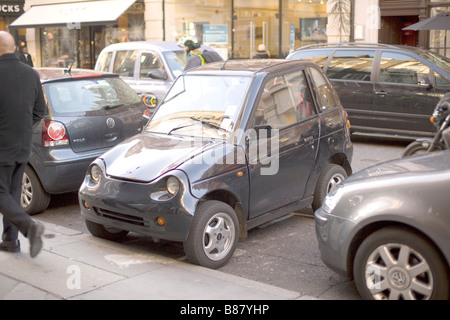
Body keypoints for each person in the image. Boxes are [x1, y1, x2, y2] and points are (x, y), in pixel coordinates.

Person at [0, 31, 45, 258]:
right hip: (23, 145)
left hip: (2, 147)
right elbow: (40, 112)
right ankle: (10, 241)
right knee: (12, 193)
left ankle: (29, 227)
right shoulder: (31, 74)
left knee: (2, 193)